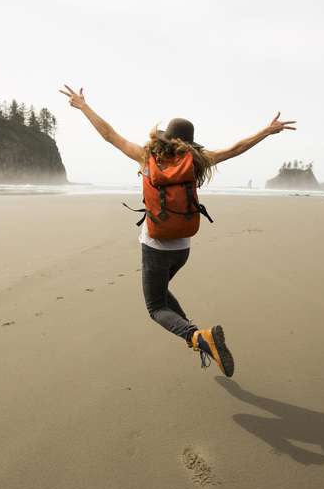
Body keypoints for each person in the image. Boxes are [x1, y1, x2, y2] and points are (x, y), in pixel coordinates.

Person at [59, 84, 296, 377]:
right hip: (182, 247)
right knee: (162, 292)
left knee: (156, 307)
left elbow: (109, 135)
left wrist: (83, 106)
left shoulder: (147, 157)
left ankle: (197, 337)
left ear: (165, 137)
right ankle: (198, 339)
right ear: (190, 142)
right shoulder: (196, 161)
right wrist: (266, 131)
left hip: (155, 246)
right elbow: (235, 149)